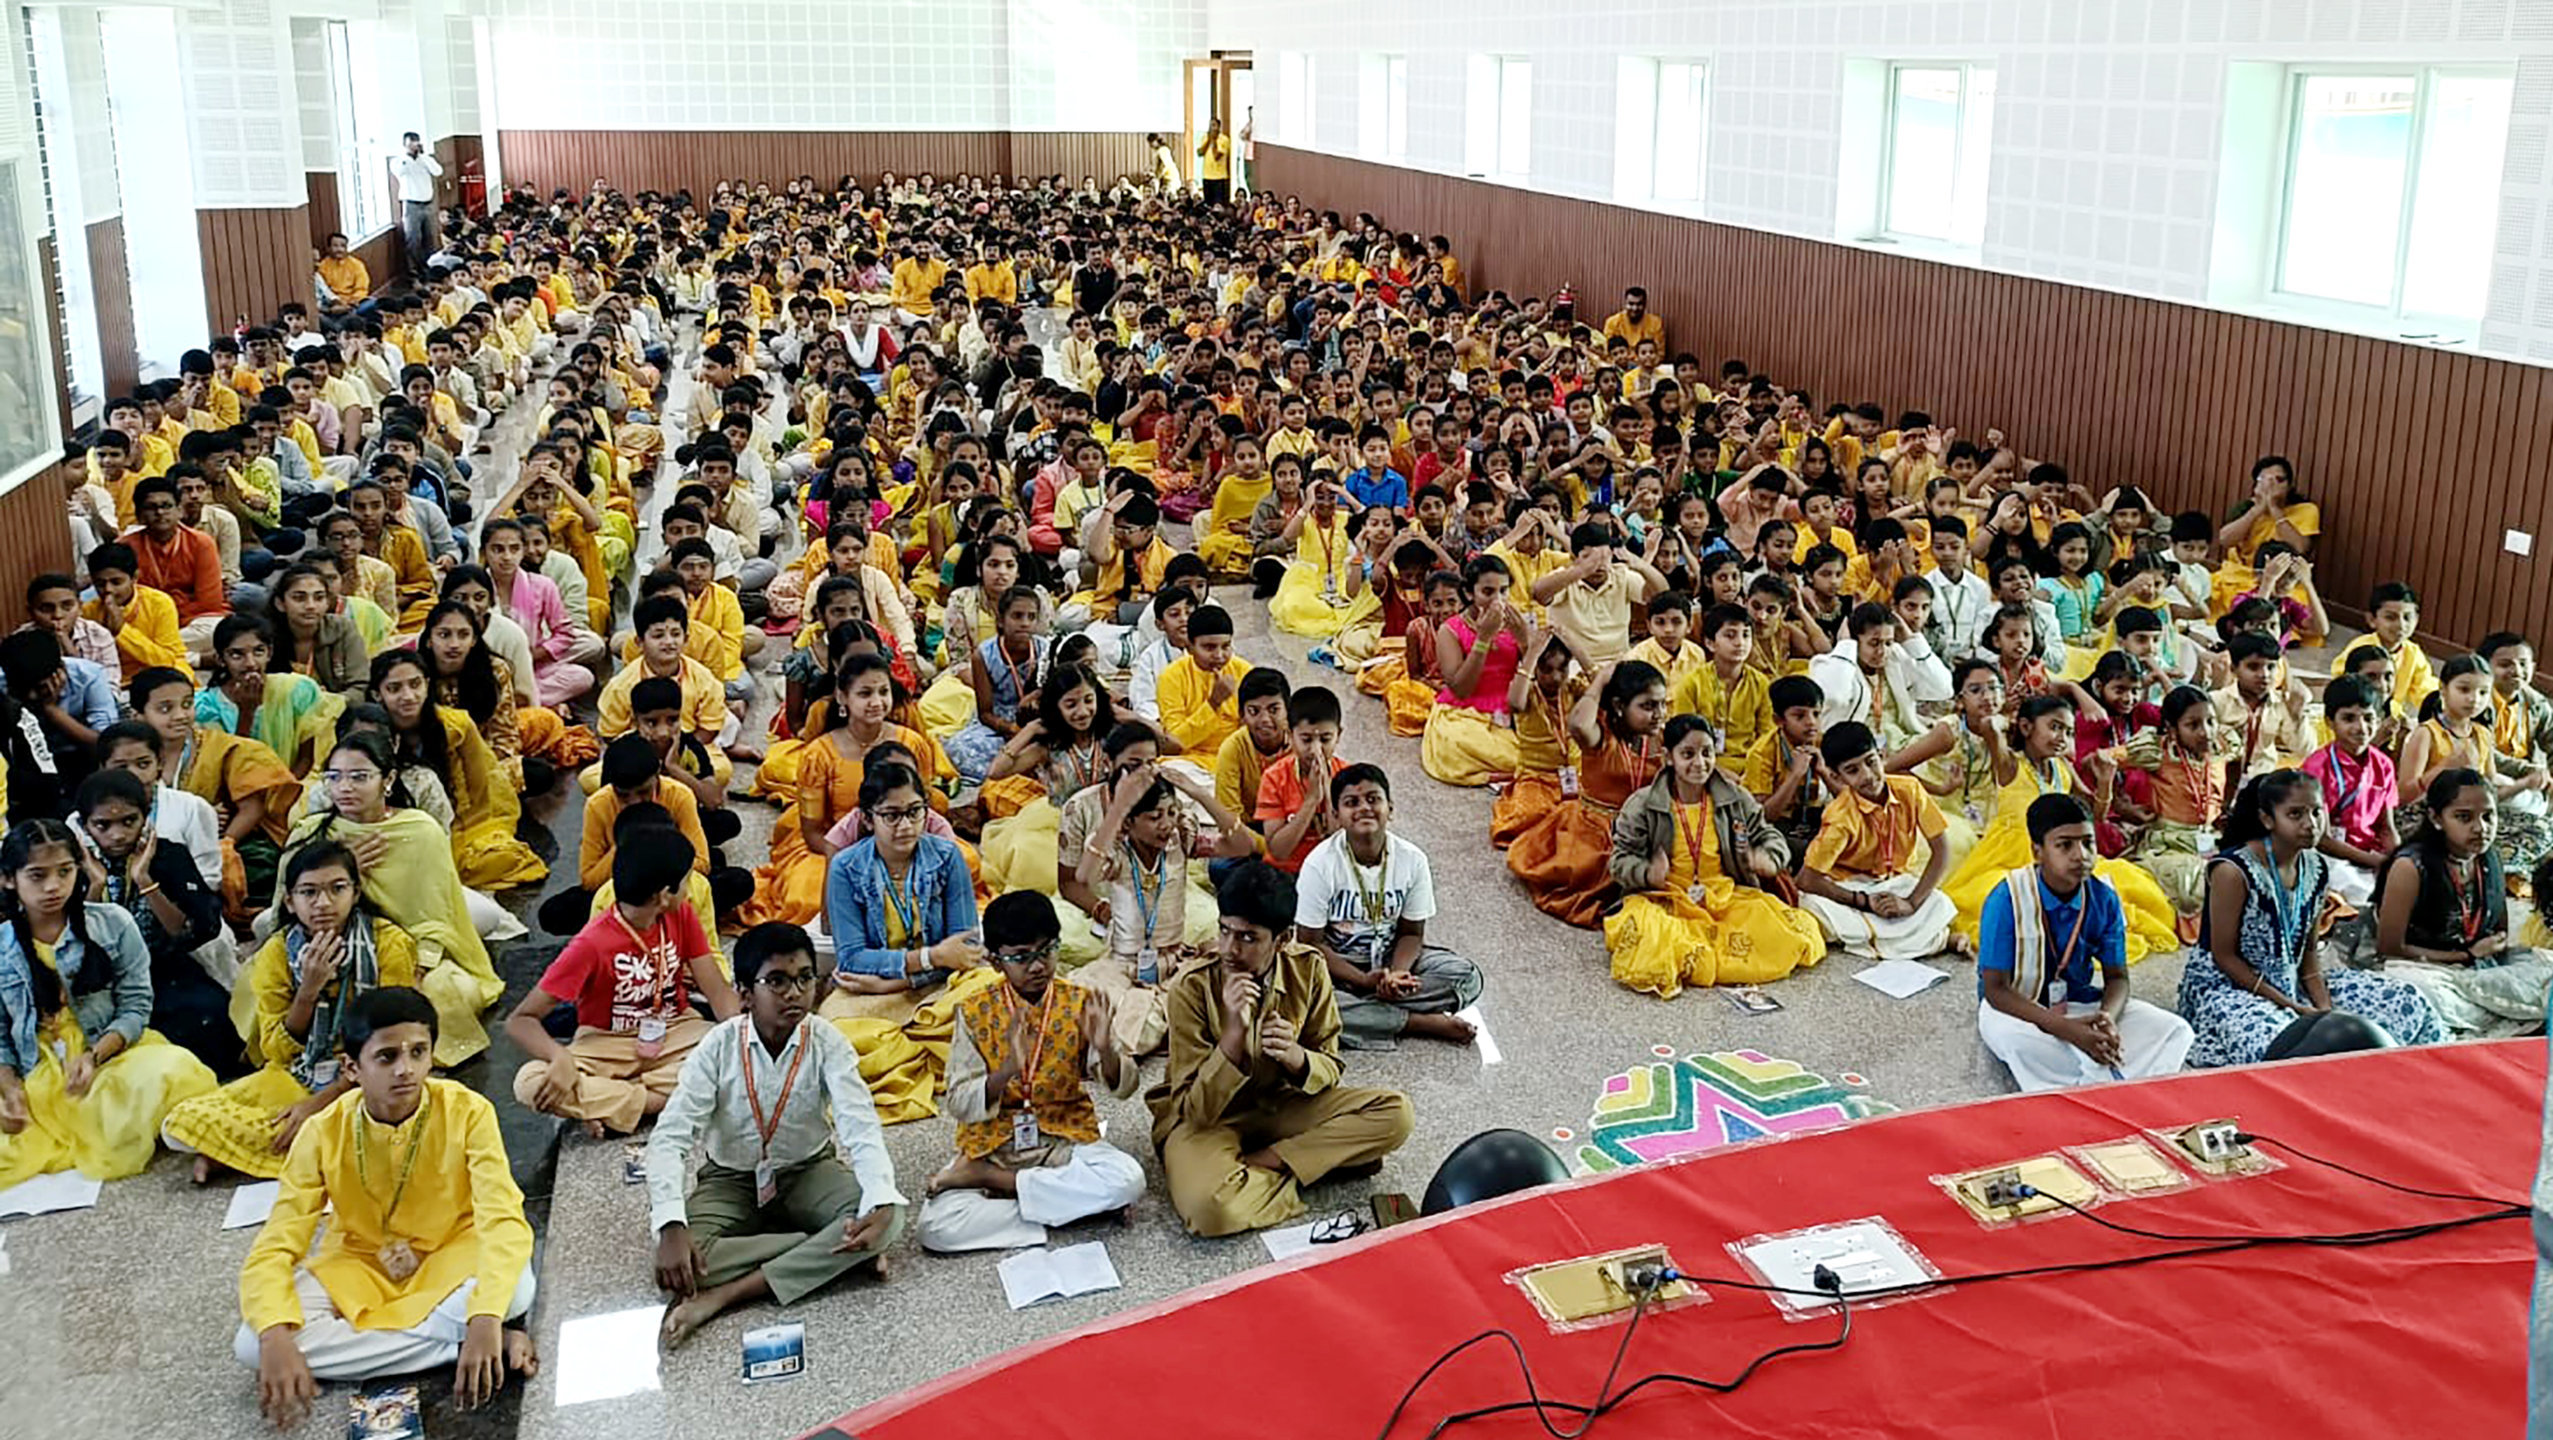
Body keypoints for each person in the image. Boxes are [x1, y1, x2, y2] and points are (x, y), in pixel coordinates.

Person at [236, 987, 537, 1427]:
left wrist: (486, 1314)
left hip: (454, 1251)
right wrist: (273, 1336)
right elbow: (278, 1242)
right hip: (362, 1263)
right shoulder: (322, 1132)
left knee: (514, 1292)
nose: (406, 1069)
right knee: (252, 1343)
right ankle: (455, 1346)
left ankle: (458, 1334)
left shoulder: (468, 1111)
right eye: (387, 1057)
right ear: (351, 1068)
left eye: (418, 1052)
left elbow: (503, 1217)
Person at [645, 922, 904, 1348]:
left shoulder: (827, 1041)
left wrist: (878, 1198)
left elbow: (860, 1126)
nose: (794, 993)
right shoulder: (717, 1047)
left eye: (805, 978)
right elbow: (671, 1139)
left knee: (889, 1217)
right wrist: (671, 1225)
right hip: (730, 1179)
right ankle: (825, 1253)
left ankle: (725, 1295)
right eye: (777, 981)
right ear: (745, 993)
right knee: (680, 1261)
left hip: (808, 1170)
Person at [1146, 860, 1414, 1237]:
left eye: (1248, 938)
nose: (1230, 949)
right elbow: (1195, 1110)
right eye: (1225, 931)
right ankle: (1313, 1166)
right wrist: (1232, 1038)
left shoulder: (1308, 968)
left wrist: (1296, 1057)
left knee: (1396, 1114)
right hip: (1210, 1121)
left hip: (1280, 1104)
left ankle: (1264, 1164)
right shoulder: (1192, 986)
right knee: (1210, 1209)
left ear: (1283, 939)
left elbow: (1330, 1067)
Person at [162, 840, 416, 1182]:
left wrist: (322, 1101)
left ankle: (238, 1153)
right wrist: (308, 989)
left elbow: (397, 1039)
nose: (323, 903)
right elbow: (277, 1051)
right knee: (180, 1122)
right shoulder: (278, 953)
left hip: (372, 1078)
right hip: (300, 1071)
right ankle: (301, 1146)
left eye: (337, 889)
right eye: (309, 892)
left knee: (384, 1124)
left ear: (356, 893)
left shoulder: (389, 943)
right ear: (290, 902)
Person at [918, 892, 1146, 1253]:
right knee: (936, 1228)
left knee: (1129, 1179)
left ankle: (995, 1182)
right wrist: (1007, 1070)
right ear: (995, 961)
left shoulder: (1079, 1002)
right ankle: (1075, 1209)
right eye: (1022, 957)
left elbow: (1123, 1088)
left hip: (1061, 1137)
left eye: (1047, 951)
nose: (1038, 966)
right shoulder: (974, 1011)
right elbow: (959, 1103)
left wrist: (1105, 1048)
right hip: (995, 1142)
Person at [0, 818, 217, 1188]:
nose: (53, 886)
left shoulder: (113, 922)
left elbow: (136, 1005)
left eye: (65, 871)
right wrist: (9, 1089)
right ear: (8, 879)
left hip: (108, 1056)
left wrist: (93, 1056)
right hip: (35, 1068)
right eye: (37, 876)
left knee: (173, 1069)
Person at [2179, 772, 2444, 1066]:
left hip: (2293, 981)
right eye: (2295, 814)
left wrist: (2324, 1008)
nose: (2310, 823)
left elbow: (2308, 955)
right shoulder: (2233, 871)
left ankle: (2414, 1071)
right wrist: (2293, 1007)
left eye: (2317, 812)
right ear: (2267, 819)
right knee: (2283, 1046)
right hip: (2231, 987)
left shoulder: (2316, 867)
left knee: (2406, 1000)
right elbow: (2224, 957)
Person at [281, 731, 501, 1065]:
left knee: (448, 992)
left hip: (403, 947)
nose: (344, 787)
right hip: (326, 943)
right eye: (334, 777)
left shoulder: (420, 831)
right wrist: (342, 867)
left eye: (359, 777)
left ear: (388, 780)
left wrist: (420, 966)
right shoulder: (310, 831)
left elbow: (435, 915)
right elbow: (287, 905)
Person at [507, 825, 741, 1137]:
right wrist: (558, 1056)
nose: (689, 890)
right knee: (530, 1082)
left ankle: (614, 1105)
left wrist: (742, 1036)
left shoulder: (682, 915)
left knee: (733, 1055)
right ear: (664, 895)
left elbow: (718, 993)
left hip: (675, 1029)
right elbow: (520, 1020)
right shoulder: (590, 943)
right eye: (686, 881)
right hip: (606, 1043)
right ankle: (660, 1100)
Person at [1977, 794, 2194, 1092]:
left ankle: (2088, 1076)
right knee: (2018, 1043)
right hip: (2019, 1010)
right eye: (2065, 845)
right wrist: (2065, 1029)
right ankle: (2099, 1079)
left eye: (2088, 843)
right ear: (2037, 852)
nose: (2081, 855)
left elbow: (2117, 978)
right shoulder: (2007, 898)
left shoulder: (2104, 897)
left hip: (2079, 1004)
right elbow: (1996, 990)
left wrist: (2107, 1020)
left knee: (2174, 1030)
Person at [1604, 714, 1823, 996]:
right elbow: (1619, 861)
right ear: (1668, 757)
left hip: (1723, 895)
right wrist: (1648, 873)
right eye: (1688, 754)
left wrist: (1769, 858)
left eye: (1707, 753)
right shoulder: (1643, 803)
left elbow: (1768, 835)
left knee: (1795, 933)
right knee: (1650, 938)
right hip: (1665, 898)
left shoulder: (1733, 797)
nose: (1699, 763)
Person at [1070, 759, 1257, 1054]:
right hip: (1121, 962)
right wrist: (1116, 812)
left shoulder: (1180, 840)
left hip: (1175, 960)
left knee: (1237, 989)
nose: (1167, 824)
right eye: (1155, 817)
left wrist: (1199, 794)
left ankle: (1149, 1021)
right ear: (1128, 822)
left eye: (1171, 812)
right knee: (1082, 1006)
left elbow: (1243, 846)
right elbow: (1083, 877)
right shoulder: (1114, 850)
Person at [1291, 764, 1483, 1045]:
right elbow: (1310, 944)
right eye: (1351, 803)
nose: (1364, 808)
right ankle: (1415, 1022)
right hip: (1335, 969)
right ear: (1336, 815)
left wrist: (1396, 974)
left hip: (1390, 959)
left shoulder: (1412, 860)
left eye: (1373, 799)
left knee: (1466, 977)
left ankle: (1369, 1014)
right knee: (1299, 998)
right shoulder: (1319, 865)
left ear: (1390, 808)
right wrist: (1362, 980)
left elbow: (1412, 933)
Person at [2369, 767, 2553, 1039]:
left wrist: (2490, 949)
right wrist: (2466, 956)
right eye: (2464, 817)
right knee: (2420, 993)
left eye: (2488, 816)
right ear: (2436, 818)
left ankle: (2491, 1013)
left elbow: (2499, 932)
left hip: (2479, 968)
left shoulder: (2489, 857)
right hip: (2423, 967)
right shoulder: (2410, 866)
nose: (2481, 828)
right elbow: (2389, 949)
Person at [72, 768, 235, 1074]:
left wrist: (145, 880)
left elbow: (191, 930)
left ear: (146, 817)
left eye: (129, 821)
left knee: (207, 1013)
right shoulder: (71, 867)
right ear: (84, 826)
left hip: (161, 969)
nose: (117, 835)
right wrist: (95, 885)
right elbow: (74, 941)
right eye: (103, 825)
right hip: (93, 977)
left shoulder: (168, 855)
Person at [822, 760, 987, 1023]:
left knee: (985, 997)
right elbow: (852, 958)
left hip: (942, 981)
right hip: (873, 987)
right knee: (837, 1023)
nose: (906, 826)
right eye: (891, 816)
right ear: (867, 819)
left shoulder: (947, 856)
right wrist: (931, 956)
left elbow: (965, 947)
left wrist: (903, 982)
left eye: (914, 812)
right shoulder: (846, 867)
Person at [1796, 722, 1956, 961]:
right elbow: (1807, 880)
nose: (1867, 776)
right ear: (1836, 776)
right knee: (1813, 907)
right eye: (1853, 770)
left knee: (1939, 901)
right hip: (1852, 887)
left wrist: (1911, 903)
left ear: (1882, 755)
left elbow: (1941, 850)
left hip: (1898, 884)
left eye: (1871, 762)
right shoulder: (1840, 816)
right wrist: (1863, 901)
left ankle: (1911, 937)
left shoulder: (1910, 790)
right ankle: (1937, 940)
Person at [2302, 675, 2397, 906]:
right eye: (2348, 719)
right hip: (2330, 855)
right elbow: (2321, 839)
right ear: (2329, 722)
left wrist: (2397, 859)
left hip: (2370, 853)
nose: (2361, 728)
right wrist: (2375, 862)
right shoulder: (2317, 767)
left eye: (2368, 718)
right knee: (2357, 893)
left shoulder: (2383, 765)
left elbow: (2386, 828)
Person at [392, 132, 444, 265]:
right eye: (410, 143)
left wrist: (422, 156)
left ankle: (431, 266)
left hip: (428, 203)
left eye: (416, 142)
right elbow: (400, 172)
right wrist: (408, 157)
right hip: (411, 205)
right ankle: (415, 269)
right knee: (413, 239)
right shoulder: (398, 161)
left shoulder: (425, 159)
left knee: (430, 237)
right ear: (404, 144)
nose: (414, 145)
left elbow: (438, 171)